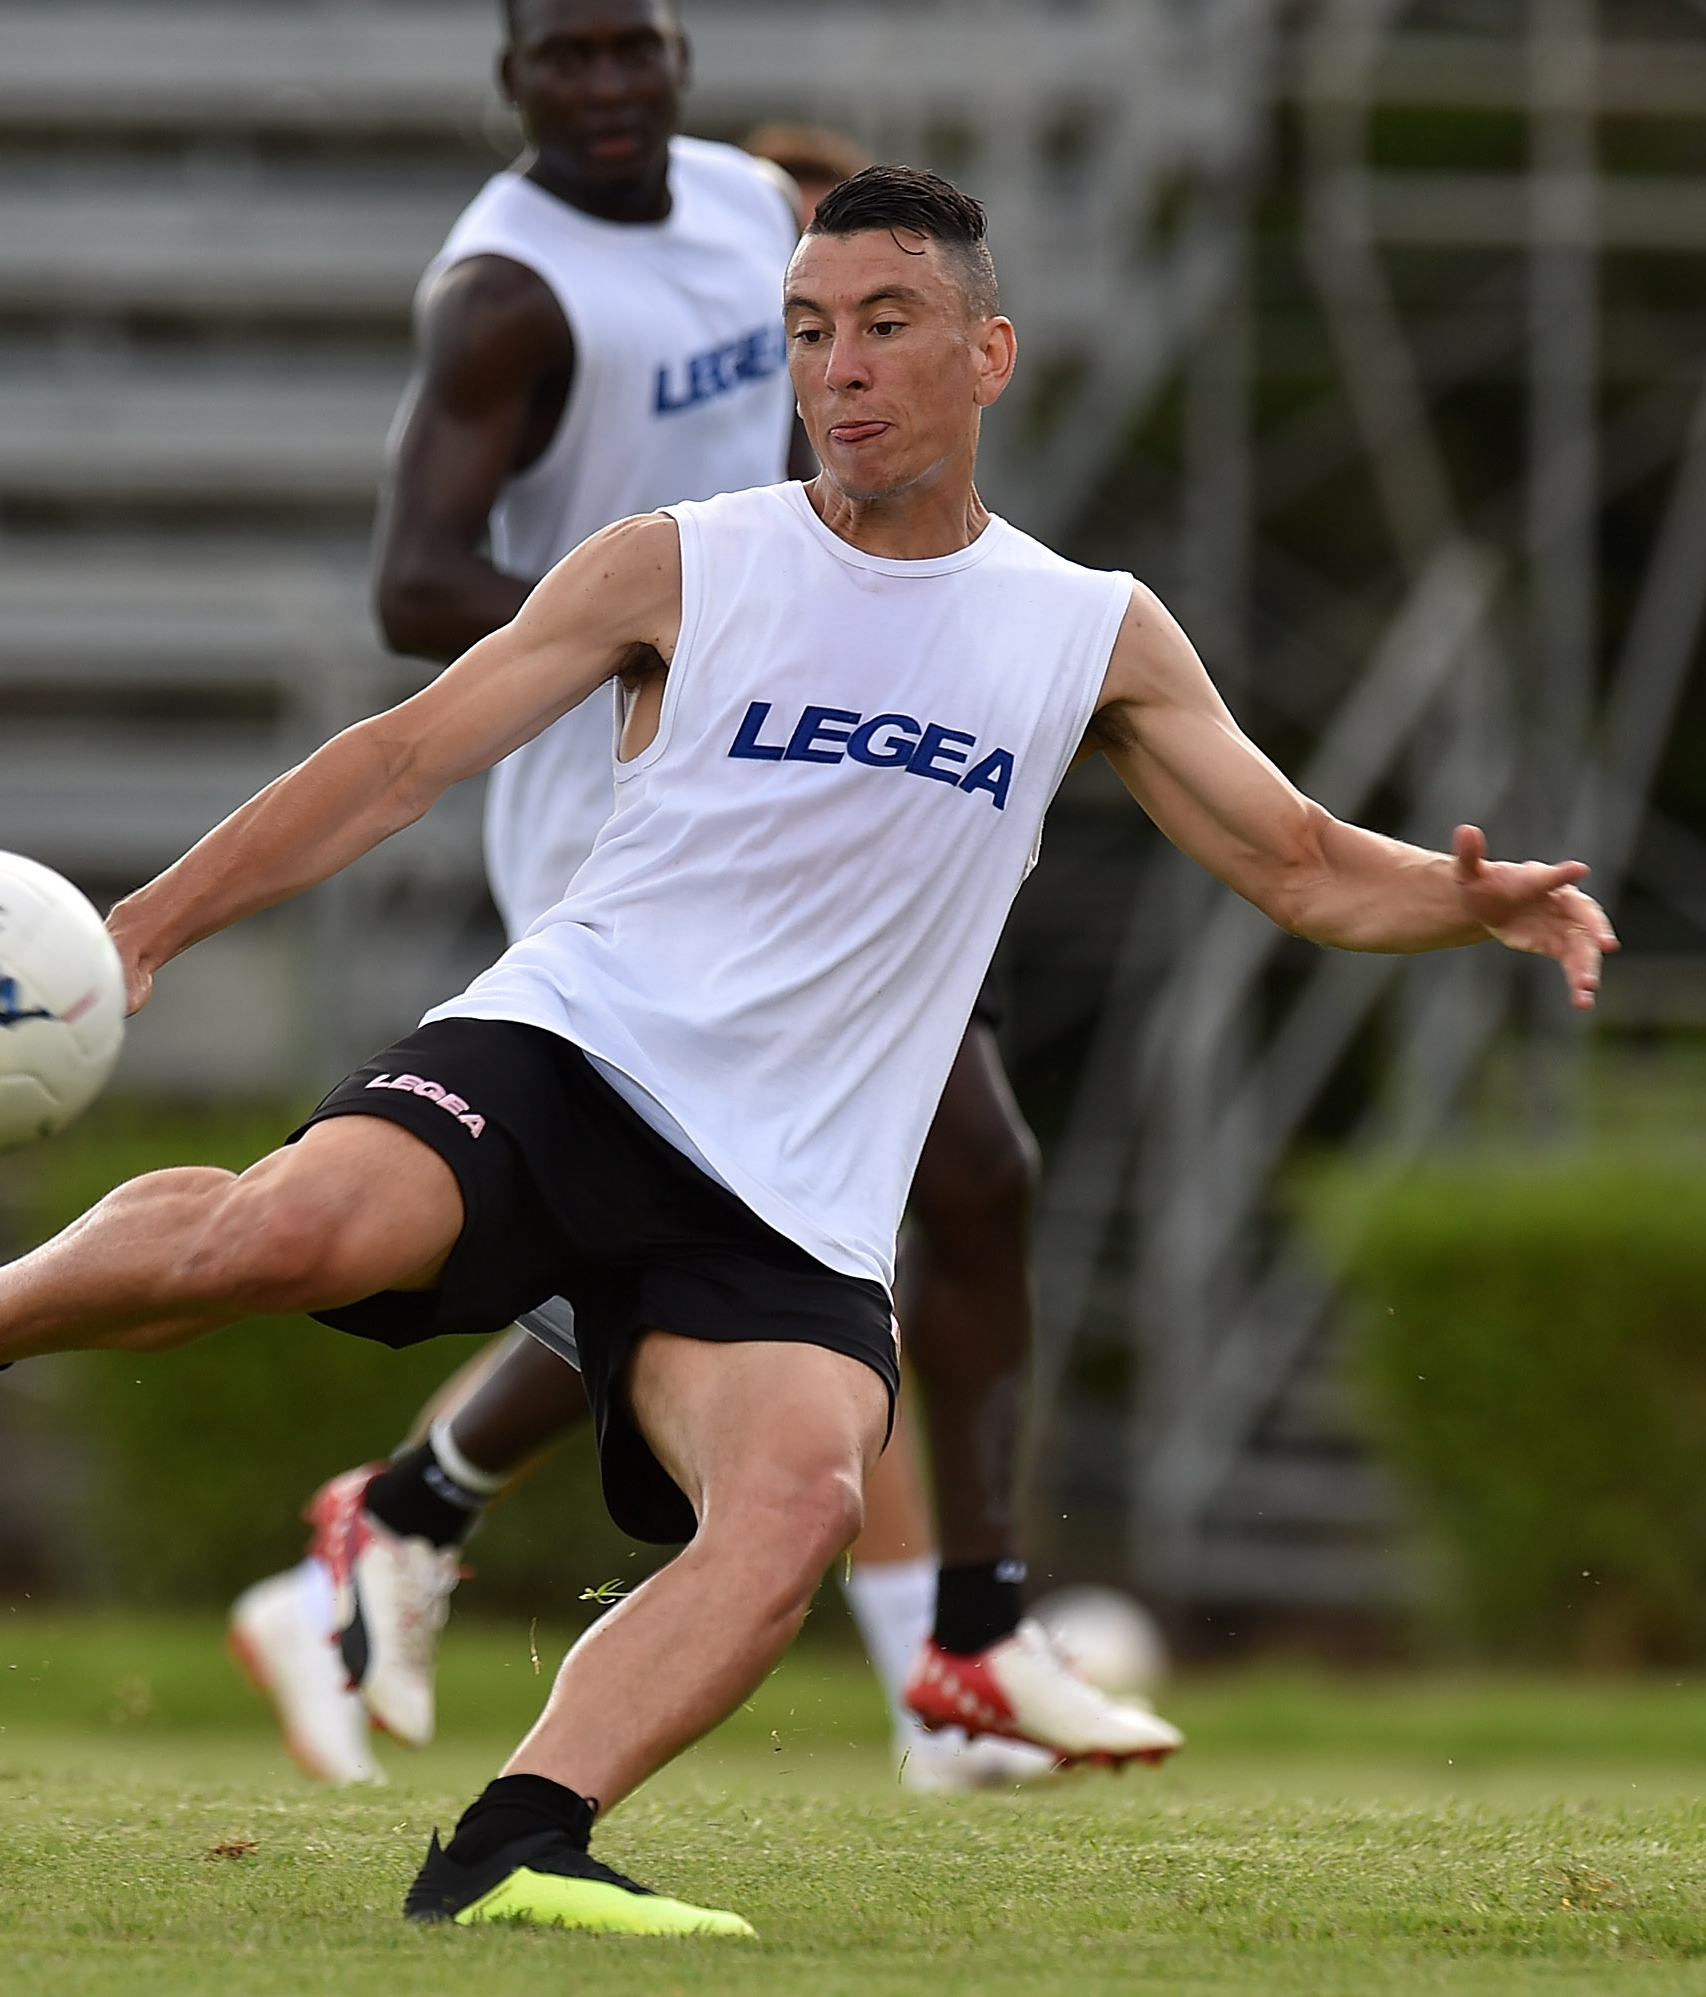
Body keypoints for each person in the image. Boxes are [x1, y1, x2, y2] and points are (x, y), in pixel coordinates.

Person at [0, 164, 1614, 1937]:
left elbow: (1299, 865)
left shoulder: (1086, 629)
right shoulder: (686, 562)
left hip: (792, 1191)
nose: (841, 372)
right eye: (810, 335)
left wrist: (1477, 899)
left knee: (802, 1508)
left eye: (888, 328)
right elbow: (403, 759)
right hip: (570, 1059)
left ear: (990, 353)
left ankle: (509, 1849)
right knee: (285, 1240)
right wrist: (150, 924)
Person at [223, 0, 1111, 1793]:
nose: (611, 85)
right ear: (512, 77)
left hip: (820, 767)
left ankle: (415, 1521)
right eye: (571, 55)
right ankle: (955, 1653)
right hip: (635, 796)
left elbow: (846, 308)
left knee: (897, 1189)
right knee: (846, 1200)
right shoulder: (509, 294)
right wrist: (669, 630)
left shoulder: (745, 207)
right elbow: (411, 584)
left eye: (639, 47)